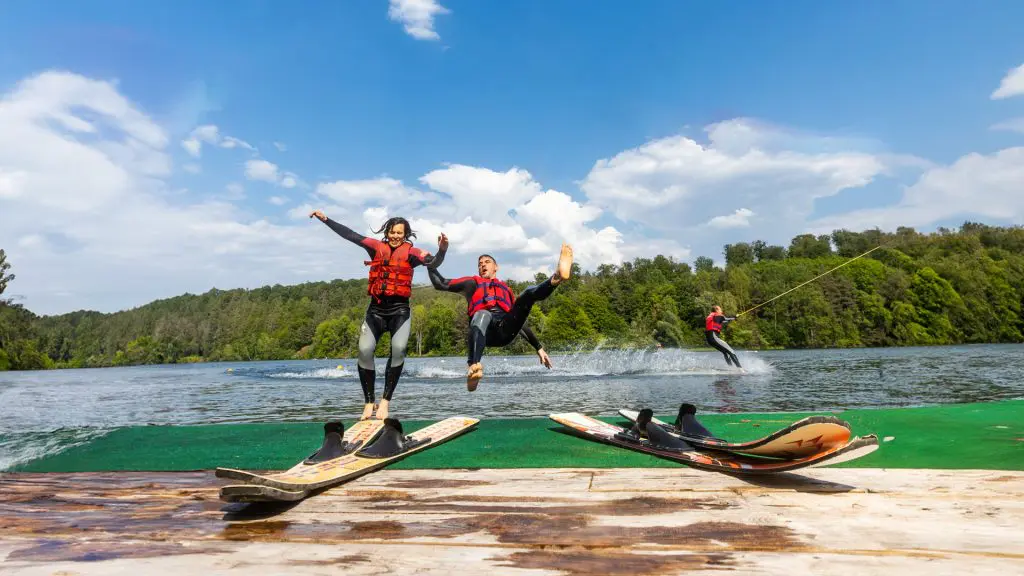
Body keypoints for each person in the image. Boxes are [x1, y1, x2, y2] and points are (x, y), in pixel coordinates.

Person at [309, 209, 440, 421]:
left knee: (398, 350)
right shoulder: (375, 248)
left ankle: (385, 402)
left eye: (400, 233)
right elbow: (350, 235)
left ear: (405, 234)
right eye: (392, 232)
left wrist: (442, 250)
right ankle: (369, 402)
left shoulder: (413, 253)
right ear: (387, 232)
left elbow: (434, 263)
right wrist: (326, 220)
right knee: (364, 351)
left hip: (400, 311)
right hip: (376, 310)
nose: (395, 236)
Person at [428, 234, 573, 391]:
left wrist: (538, 347)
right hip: (484, 332)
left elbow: (520, 323)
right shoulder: (471, 283)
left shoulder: (506, 290)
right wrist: (430, 264)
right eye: (480, 264)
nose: (483, 265)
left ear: (496, 267)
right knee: (482, 314)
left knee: (526, 294)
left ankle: (556, 278)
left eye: (487, 262)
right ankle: (474, 367)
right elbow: (440, 283)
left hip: (505, 331)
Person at [705, 305, 743, 370]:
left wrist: (734, 318)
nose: (721, 311)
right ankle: (741, 370)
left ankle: (730, 368)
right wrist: (735, 317)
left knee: (726, 352)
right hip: (714, 337)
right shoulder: (718, 315)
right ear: (716, 310)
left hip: (709, 339)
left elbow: (723, 321)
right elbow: (725, 319)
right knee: (731, 351)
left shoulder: (711, 316)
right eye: (720, 309)